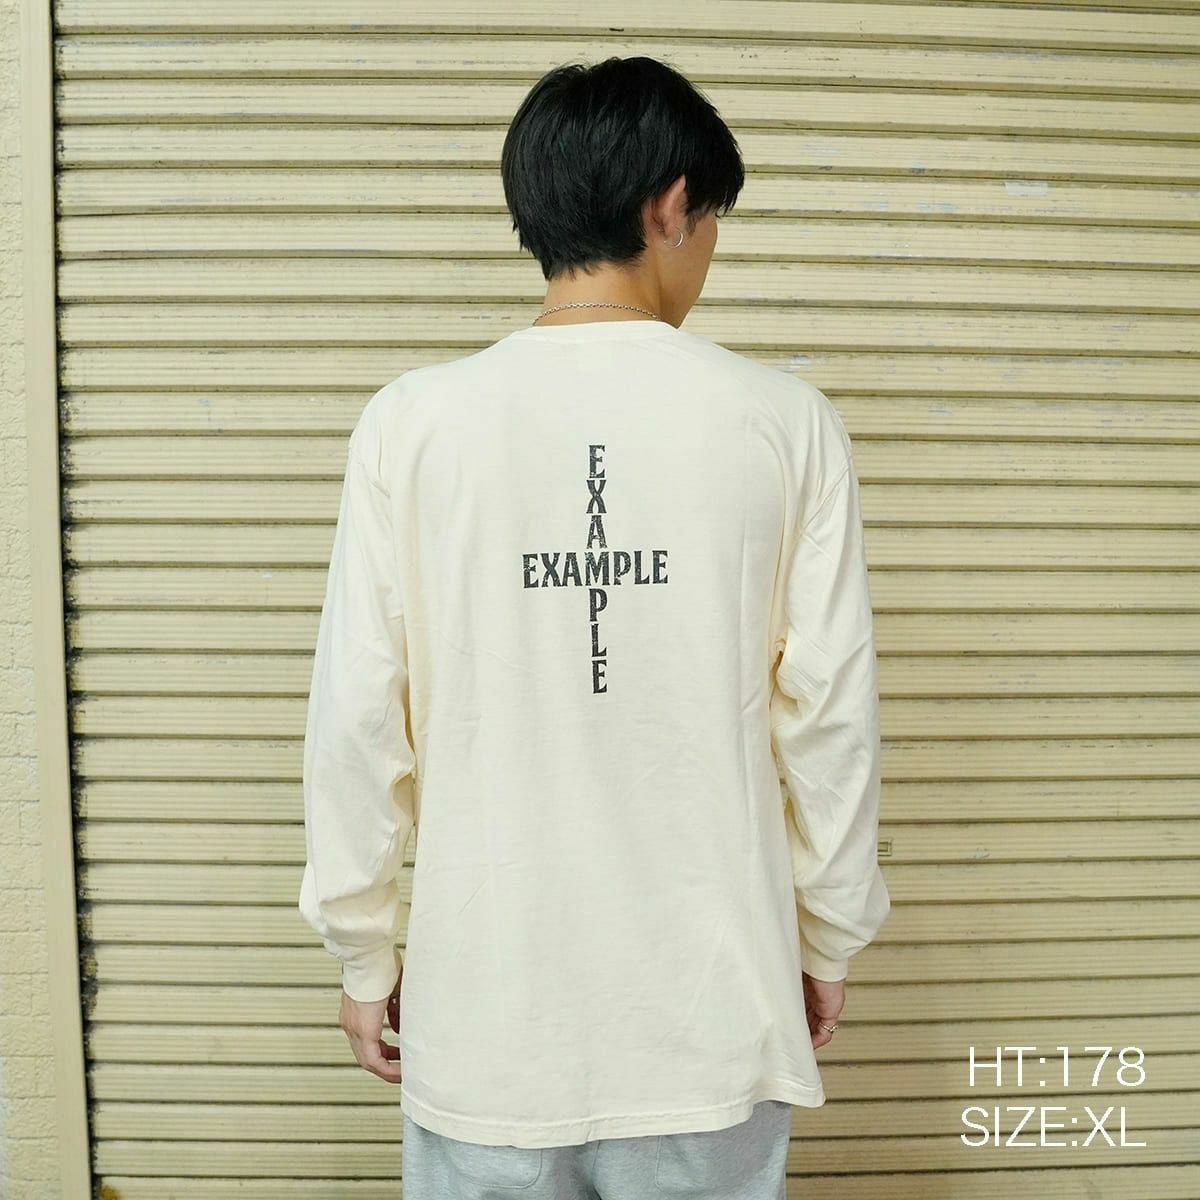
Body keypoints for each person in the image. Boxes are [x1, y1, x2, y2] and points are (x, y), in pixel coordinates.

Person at [298, 54, 891, 1200]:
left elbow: (359, 716)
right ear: (670, 205)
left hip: (487, 1030)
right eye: (710, 221)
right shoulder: (785, 424)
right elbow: (831, 724)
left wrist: (364, 953)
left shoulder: (411, 426)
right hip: (709, 1028)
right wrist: (827, 938)